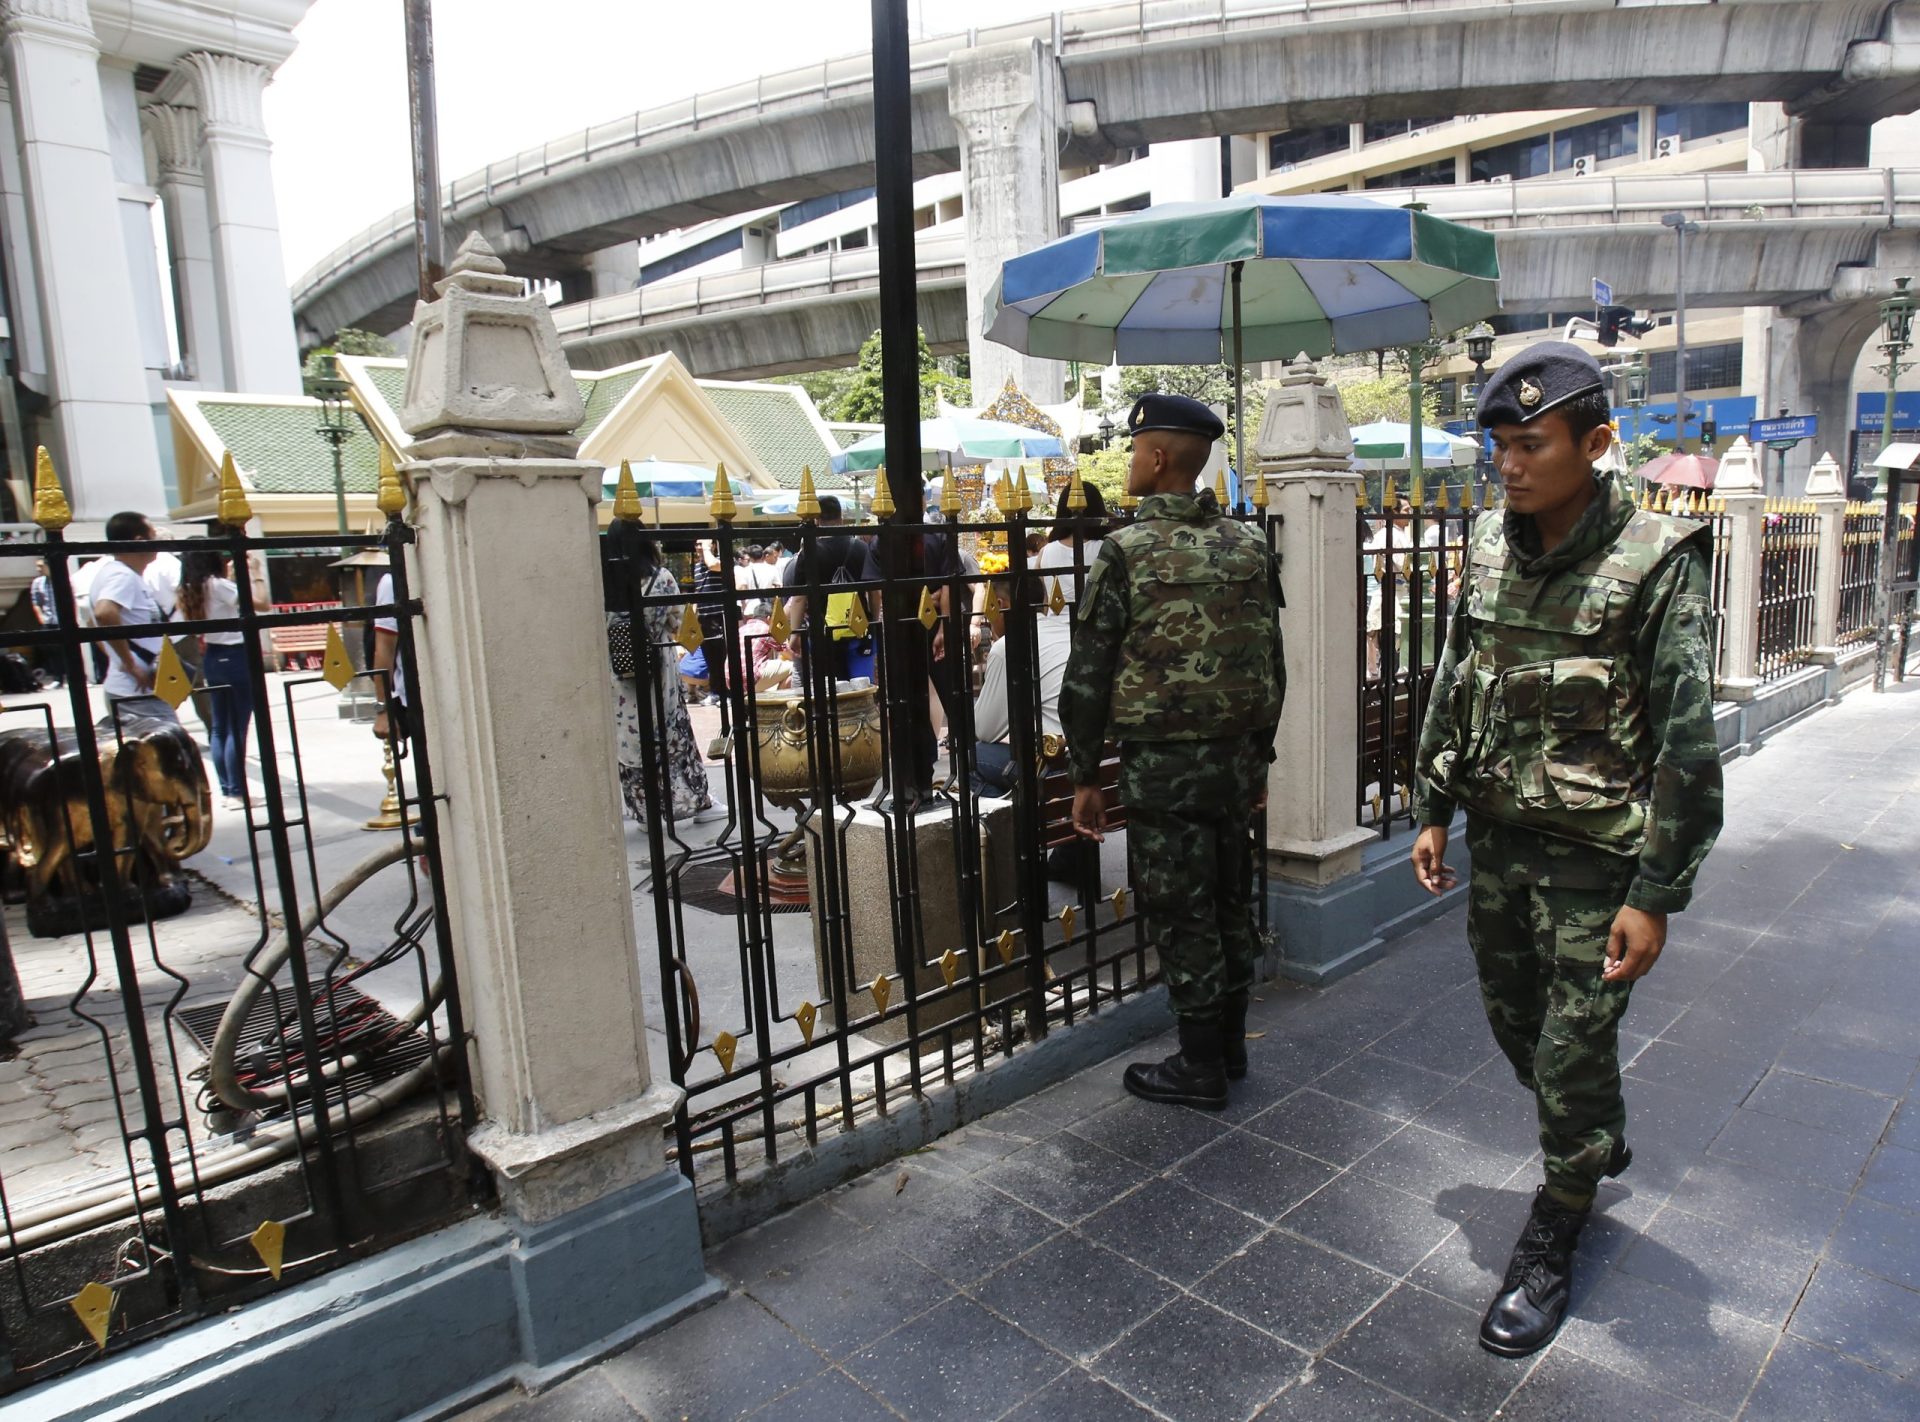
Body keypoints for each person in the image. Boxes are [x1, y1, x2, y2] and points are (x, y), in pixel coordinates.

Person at [1410, 341, 1724, 1359]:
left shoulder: (1655, 561)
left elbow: (1685, 737)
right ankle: (1587, 1130)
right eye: (1497, 443)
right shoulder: (1493, 548)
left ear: (1595, 442)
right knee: (1518, 1029)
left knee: (1570, 1046)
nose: (1509, 462)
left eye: (1530, 443)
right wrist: (1432, 803)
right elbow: (1461, 678)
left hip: (1598, 864)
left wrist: (1659, 891)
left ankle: (1558, 1216)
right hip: (1502, 843)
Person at [1059, 393, 1285, 1110]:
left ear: (1158, 458)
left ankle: (1198, 1066)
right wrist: (1259, 760)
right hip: (1234, 761)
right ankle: (1227, 1047)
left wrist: (1086, 773)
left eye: (1134, 450)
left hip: (1163, 767)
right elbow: (1270, 665)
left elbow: (1089, 673)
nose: (1129, 463)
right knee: (1226, 898)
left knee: (1182, 908)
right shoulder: (1248, 543)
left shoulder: (1126, 551)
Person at [605, 523, 719, 824]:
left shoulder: (601, 583)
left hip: (616, 676)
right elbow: (681, 627)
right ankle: (697, 801)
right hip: (658, 671)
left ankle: (644, 813)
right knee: (670, 735)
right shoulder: (660, 579)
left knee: (630, 743)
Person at [971, 573, 1071, 797]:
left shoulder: (1008, 647)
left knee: (971, 758)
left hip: (1054, 763)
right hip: (1098, 758)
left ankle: (1017, 826)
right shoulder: (1070, 632)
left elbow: (985, 730)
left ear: (999, 605)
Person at [179, 550, 251, 809]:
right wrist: (254, 572)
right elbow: (258, 602)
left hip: (212, 655)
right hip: (234, 654)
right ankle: (236, 791)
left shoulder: (191, 588)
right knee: (237, 726)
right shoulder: (218, 585)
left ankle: (227, 789)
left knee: (220, 726)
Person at [780, 495, 877, 685]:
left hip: (823, 632)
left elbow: (799, 598)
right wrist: (873, 622)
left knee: (832, 692)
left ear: (816, 520)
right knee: (863, 688)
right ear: (841, 518)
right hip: (859, 628)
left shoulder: (809, 552)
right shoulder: (860, 548)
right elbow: (874, 592)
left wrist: (796, 633)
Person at [89, 511, 175, 720]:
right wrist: (130, 663)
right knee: (171, 748)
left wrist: (118, 656)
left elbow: (92, 625)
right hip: (136, 692)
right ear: (139, 541)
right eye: (153, 536)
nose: (157, 543)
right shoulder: (122, 575)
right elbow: (104, 613)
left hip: (135, 687)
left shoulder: (117, 573)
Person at [1037, 483, 1108, 605]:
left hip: (1053, 622)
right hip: (1093, 623)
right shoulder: (1106, 548)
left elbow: (1045, 601)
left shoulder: (1045, 552)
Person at [28, 558, 61, 686]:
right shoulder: (38, 582)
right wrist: (41, 619)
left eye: (41, 566)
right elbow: (36, 602)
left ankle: (69, 676)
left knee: (67, 650)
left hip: (62, 620)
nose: (38, 569)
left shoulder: (60, 578)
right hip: (48, 620)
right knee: (51, 651)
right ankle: (57, 678)